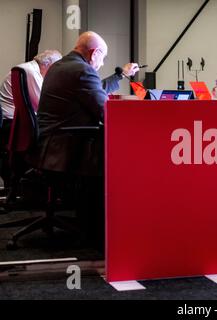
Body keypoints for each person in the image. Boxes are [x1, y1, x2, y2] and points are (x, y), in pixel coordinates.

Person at [34, 31, 139, 246]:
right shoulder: (81, 71)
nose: (102, 63)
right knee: (125, 155)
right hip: (66, 147)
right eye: (103, 57)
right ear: (95, 53)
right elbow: (106, 112)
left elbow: (95, 91)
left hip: (49, 146)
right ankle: (113, 230)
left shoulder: (60, 66)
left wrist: (120, 75)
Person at [0, 50, 62, 131]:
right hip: (11, 123)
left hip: (10, 120)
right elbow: (42, 106)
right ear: (48, 65)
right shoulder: (32, 72)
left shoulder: (28, 68)